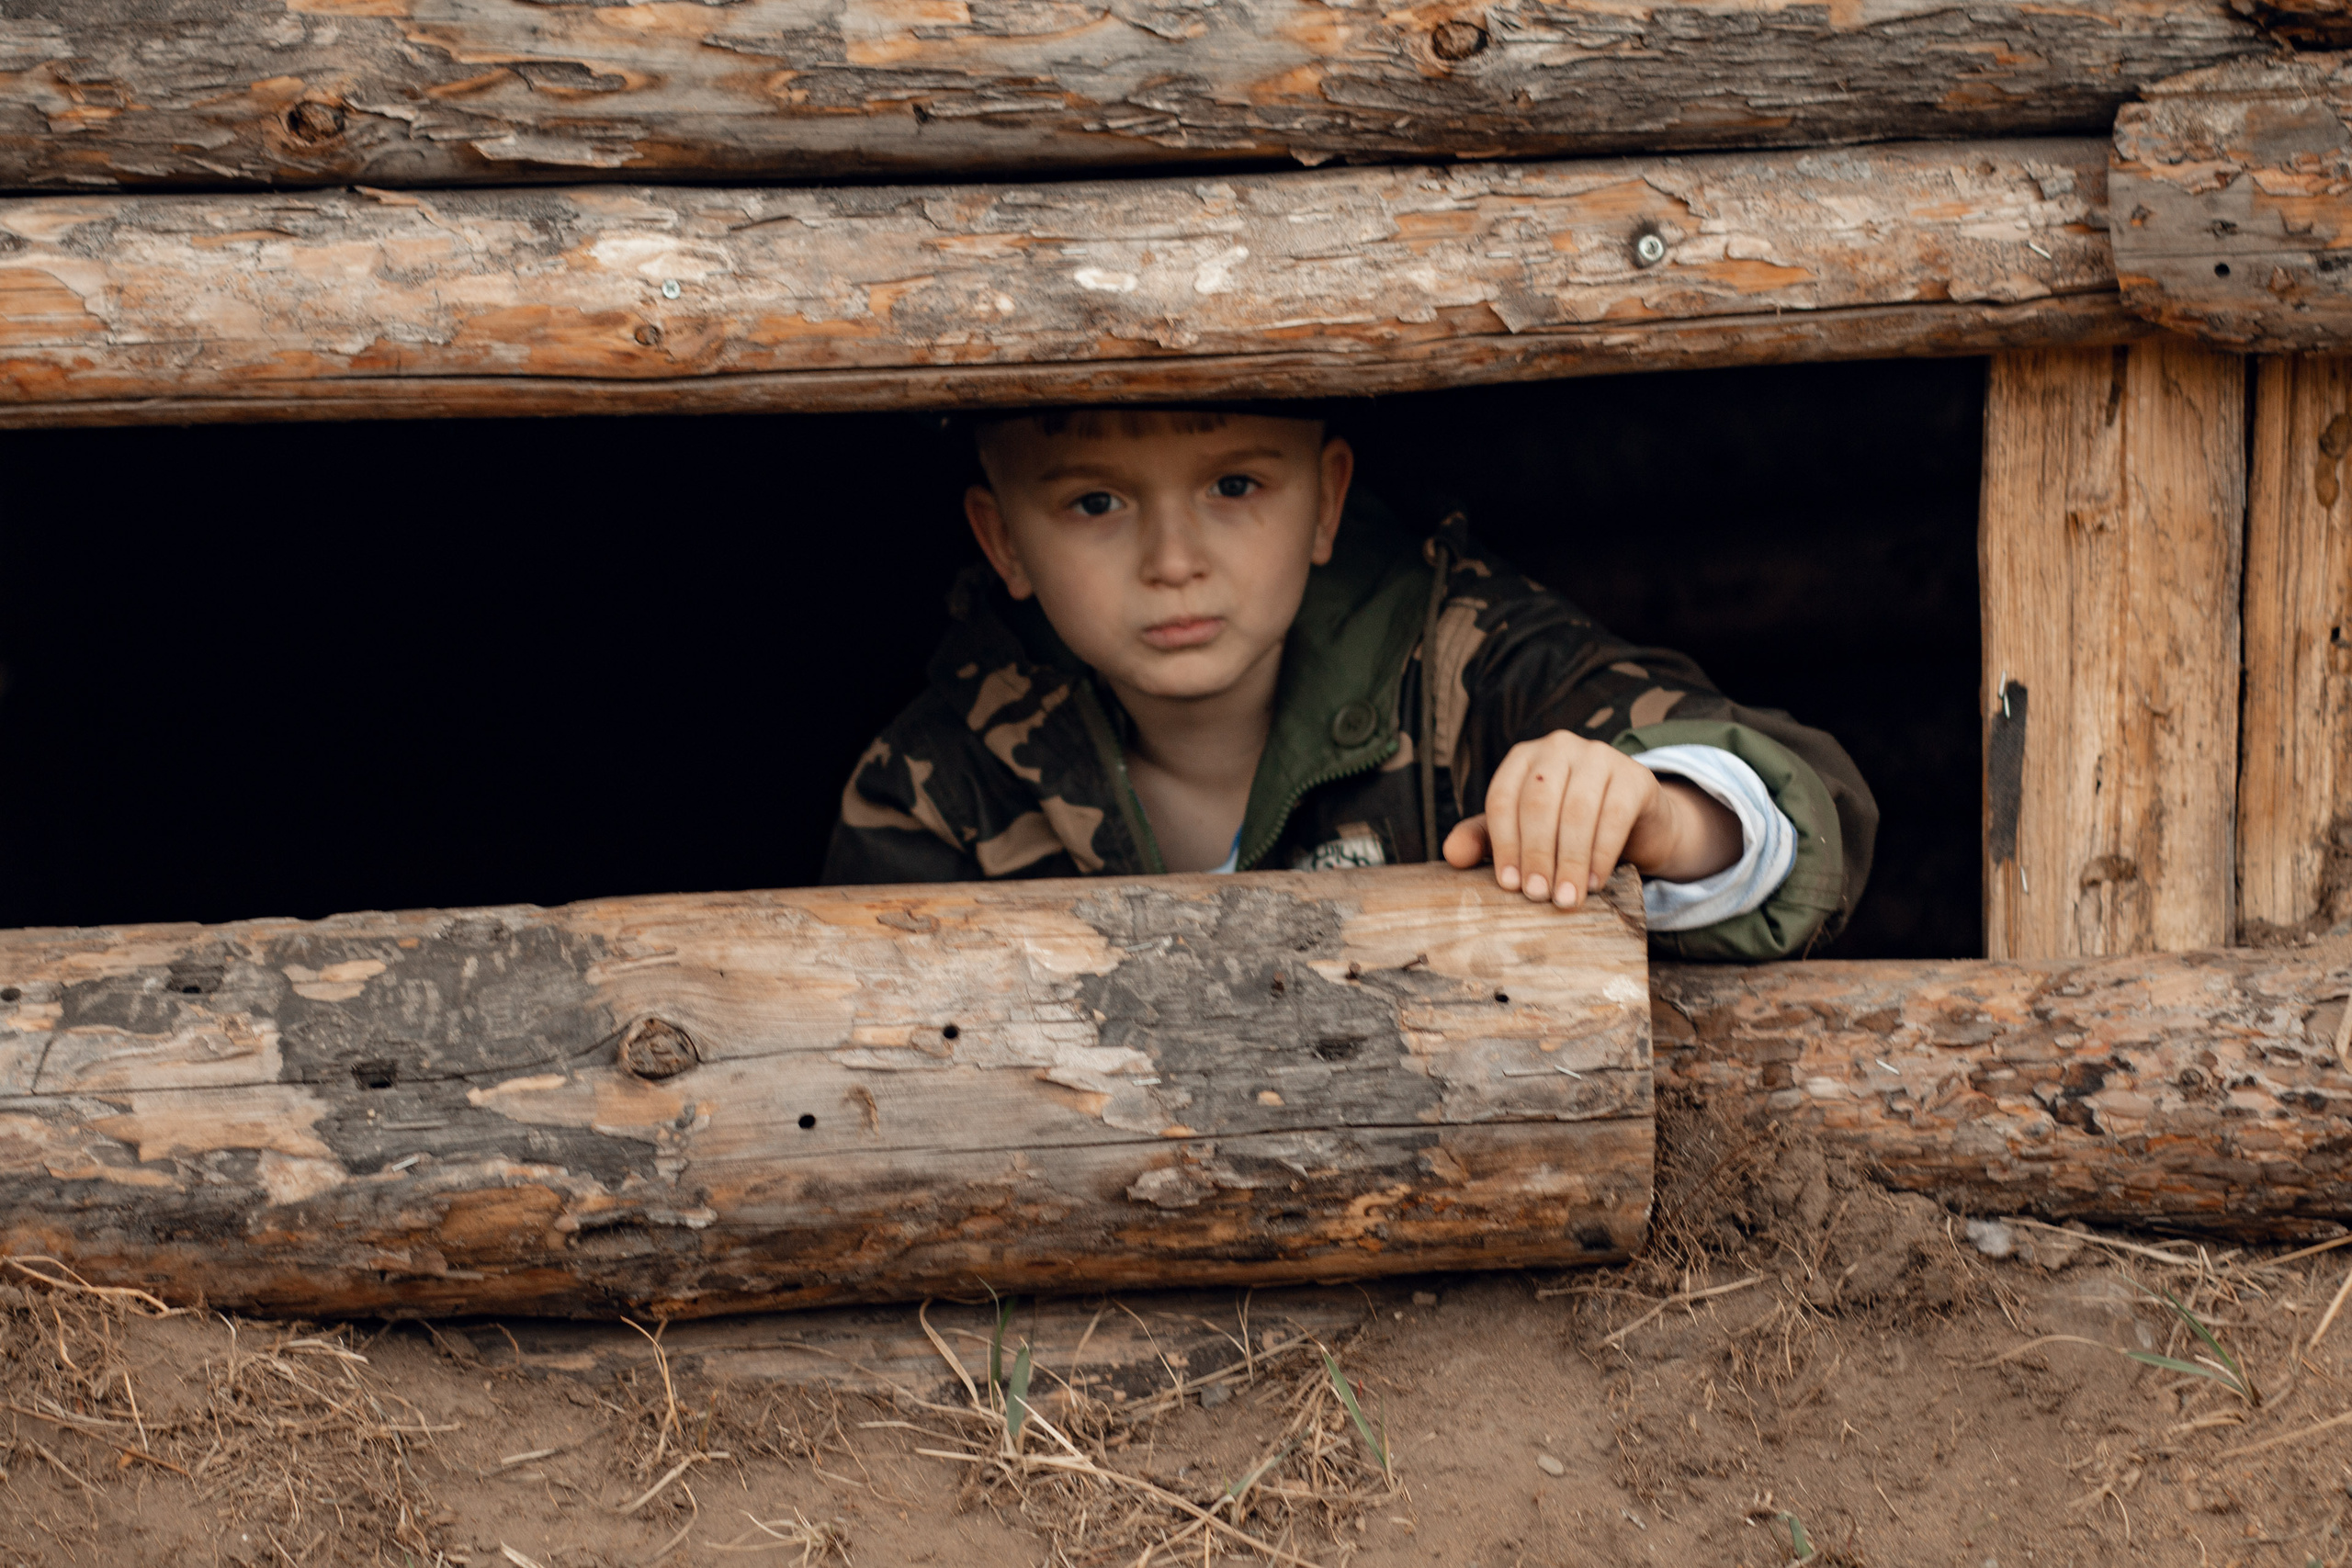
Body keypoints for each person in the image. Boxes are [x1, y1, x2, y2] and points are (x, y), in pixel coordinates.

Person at [821, 405, 1874, 960]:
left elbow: (1797, 804)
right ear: (1001, 540)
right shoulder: (940, 778)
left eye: (1235, 486)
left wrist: (1658, 815)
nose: (1173, 559)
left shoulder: (1460, 659)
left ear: (1326, 504)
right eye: (1096, 503)